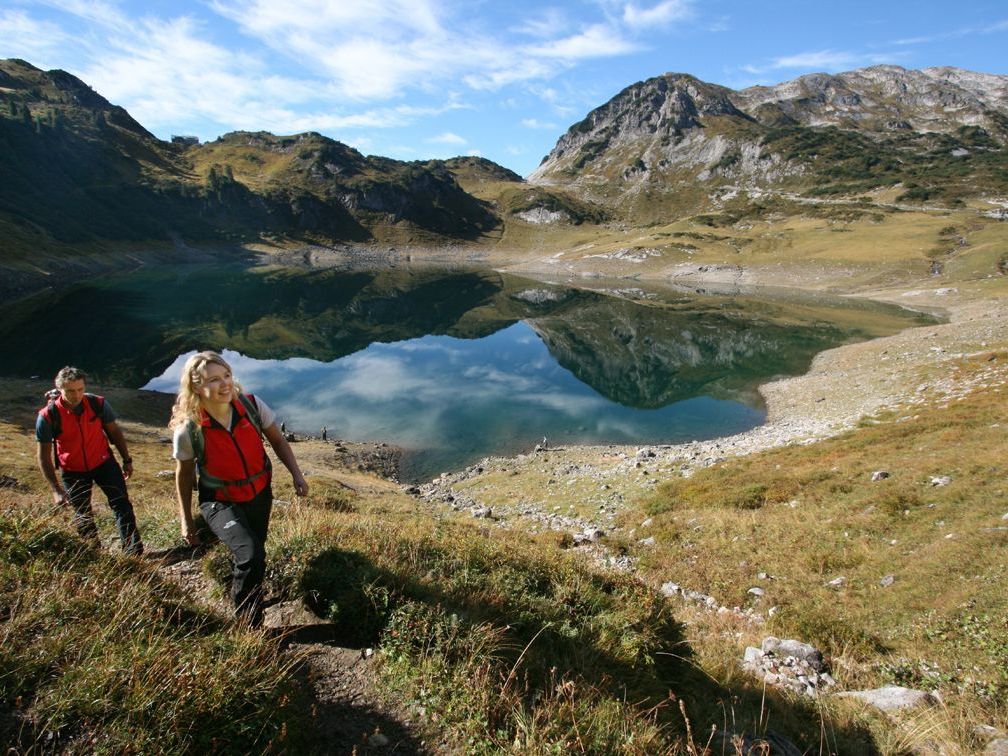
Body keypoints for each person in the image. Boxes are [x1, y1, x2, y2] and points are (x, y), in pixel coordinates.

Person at [169, 351, 309, 627]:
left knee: (255, 553)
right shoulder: (189, 430)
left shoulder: (252, 406)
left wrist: (297, 475)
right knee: (250, 554)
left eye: (227, 376)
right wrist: (186, 519)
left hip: (259, 493)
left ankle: (247, 595)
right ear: (196, 387)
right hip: (219, 500)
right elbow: (183, 475)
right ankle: (247, 624)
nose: (224, 384)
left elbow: (278, 441)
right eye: (213, 380)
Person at [35, 366, 144, 555]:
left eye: (80, 389)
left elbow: (114, 432)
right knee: (82, 514)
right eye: (70, 391)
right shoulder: (48, 416)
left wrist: (127, 460)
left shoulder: (97, 404)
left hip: (103, 463)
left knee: (121, 504)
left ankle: (133, 552)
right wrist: (56, 489)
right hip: (72, 470)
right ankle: (94, 555)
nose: (77, 395)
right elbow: (43, 456)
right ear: (59, 388)